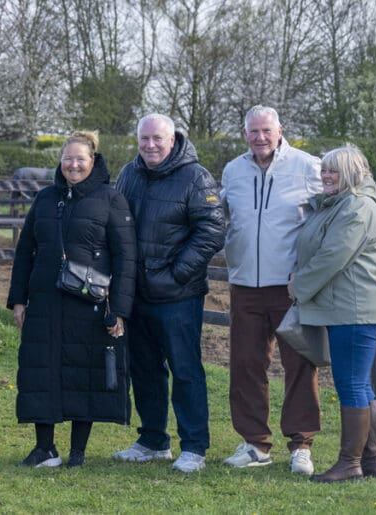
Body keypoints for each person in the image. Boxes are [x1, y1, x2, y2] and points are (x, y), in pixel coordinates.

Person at [7, 131, 135, 468]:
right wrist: (17, 299)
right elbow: (25, 252)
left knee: (84, 374)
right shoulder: (46, 199)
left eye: (80, 159)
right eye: (68, 159)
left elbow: (126, 258)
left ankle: (78, 451)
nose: (73, 165)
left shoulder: (111, 199)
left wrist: (119, 309)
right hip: (45, 301)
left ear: (93, 161)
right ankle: (44, 448)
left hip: (88, 303)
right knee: (41, 372)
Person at [113, 114, 225, 473]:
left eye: (157, 139)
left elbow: (212, 229)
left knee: (186, 370)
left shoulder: (195, 177)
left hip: (178, 295)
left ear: (173, 139)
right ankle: (152, 440)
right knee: (144, 368)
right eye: (144, 138)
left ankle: (194, 447)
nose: (150, 145)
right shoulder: (129, 173)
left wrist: (178, 273)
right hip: (137, 293)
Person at [220, 105, 322, 474]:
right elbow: (221, 219)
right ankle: (255, 444)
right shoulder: (233, 170)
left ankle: (301, 444)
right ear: (244, 133)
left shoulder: (309, 166)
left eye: (266, 130)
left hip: (292, 287)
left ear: (280, 130)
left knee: (299, 364)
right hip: (245, 284)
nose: (260, 137)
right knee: (246, 365)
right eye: (253, 131)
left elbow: (343, 205)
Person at [290, 144, 376, 483]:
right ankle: (372, 462)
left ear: (351, 172)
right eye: (324, 170)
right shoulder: (343, 204)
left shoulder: (356, 207)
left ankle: (350, 464)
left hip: (355, 308)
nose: (326, 176)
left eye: (333, 170)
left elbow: (333, 255)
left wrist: (299, 284)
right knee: (360, 385)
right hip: (351, 306)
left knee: (350, 384)